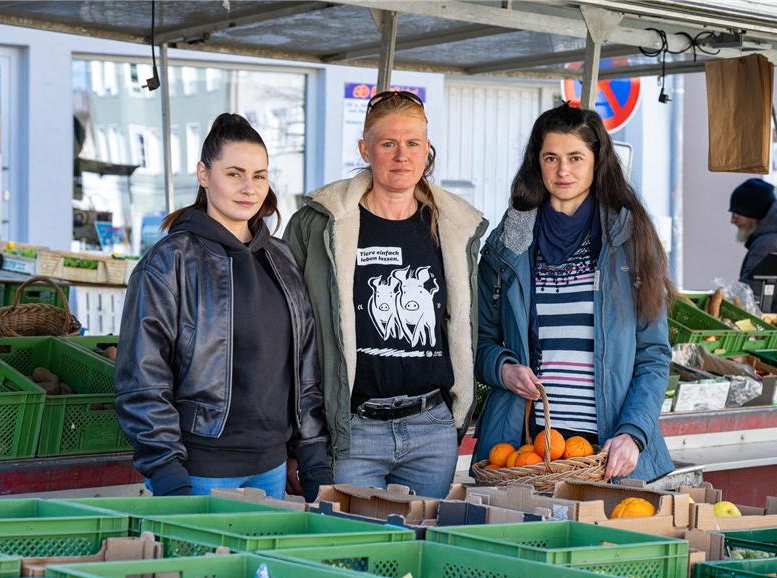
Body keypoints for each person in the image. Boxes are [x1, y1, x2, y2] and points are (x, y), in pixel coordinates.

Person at [115, 113, 333, 501]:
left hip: (271, 469)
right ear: (203, 174)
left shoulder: (282, 258)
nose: (249, 188)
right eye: (234, 174)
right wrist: (166, 468)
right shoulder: (169, 262)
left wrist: (312, 453)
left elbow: (305, 367)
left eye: (260, 176)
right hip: (198, 470)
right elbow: (142, 378)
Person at [284, 91, 487, 499]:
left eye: (413, 144)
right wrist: (297, 439)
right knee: (352, 554)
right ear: (365, 148)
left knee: (422, 552)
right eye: (388, 144)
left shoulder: (453, 227)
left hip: (431, 429)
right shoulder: (320, 224)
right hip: (352, 429)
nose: (402, 156)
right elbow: (289, 332)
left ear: (427, 149)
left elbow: (462, 325)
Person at [473, 103, 676, 482]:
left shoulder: (630, 242)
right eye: (551, 157)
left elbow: (653, 354)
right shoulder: (506, 246)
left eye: (575, 157)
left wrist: (634, 433)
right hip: (525, 450)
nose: (562, 170)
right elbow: (478, 342)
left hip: (609, 450)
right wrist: (503, 369)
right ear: (537, 162)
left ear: (597, 161)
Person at [729, 178, 777, 311]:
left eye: (736, 214)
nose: (732, 220)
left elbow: (750, 300)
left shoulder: (766, 246)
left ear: (752, 214)